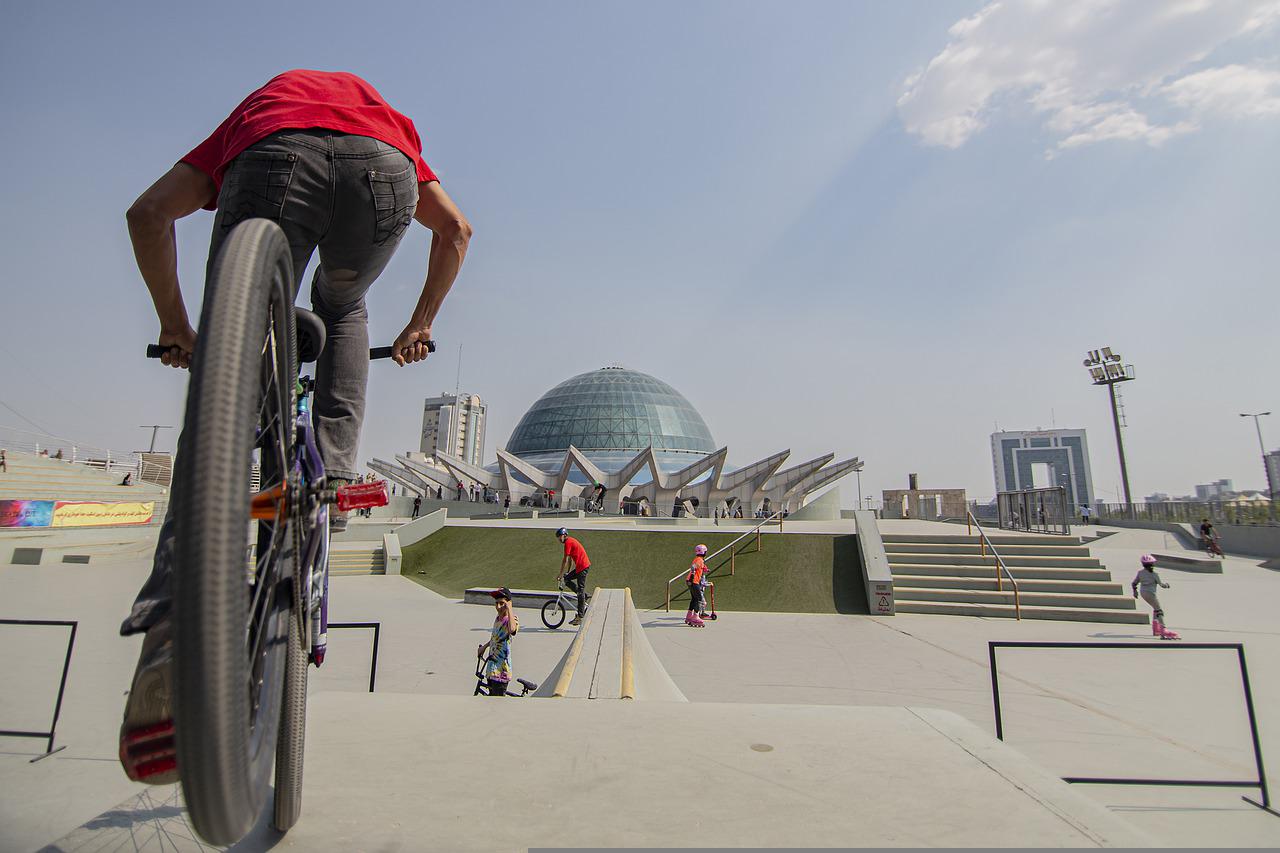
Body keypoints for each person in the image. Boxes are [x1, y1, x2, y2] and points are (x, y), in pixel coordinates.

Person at [117, 69, 471, 784]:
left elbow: (147, 214)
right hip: (386, 174)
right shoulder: (387, 121)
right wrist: (421, 323)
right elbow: (456, 230)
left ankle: (168, 630)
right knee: (343, 302)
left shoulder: (255, 118)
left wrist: (181, 328)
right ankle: (334, 474)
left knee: (230, 373)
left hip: (268, 160)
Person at [477, 587, 519, 696]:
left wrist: (509, 609)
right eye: (496, 603)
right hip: (492, 669)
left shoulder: (511, 620)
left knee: (497, 705)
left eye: (502, 603)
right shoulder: (498, 619)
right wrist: (484, 647)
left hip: (501, 673)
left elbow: (512, 630)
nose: (498, 607)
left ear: (508, 603)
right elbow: (496, 638)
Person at [555, 527, 591, 626]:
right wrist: (567, 573)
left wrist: (560, 574)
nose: (559, 539)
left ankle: (580, 617)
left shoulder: (568, 543)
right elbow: (570, 560)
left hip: (582, 567)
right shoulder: (570, 542)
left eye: (559, 537)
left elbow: (565, 560)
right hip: (581, 567)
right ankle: (584, 596)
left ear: (564, 535)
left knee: (580, 591)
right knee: (567, 579)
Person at [1132, 554, 1174, 637]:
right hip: (1151, 594)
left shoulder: (1140, 573)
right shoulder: (1155, 574)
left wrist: (1135, 592)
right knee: (1159, 611)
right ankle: (1163, 630)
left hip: (1143, 593)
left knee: (1155, 609)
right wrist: (1167, 585)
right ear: (1153, 564)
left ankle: (1156, 629)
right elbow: (1161, 584)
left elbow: (1134, 583)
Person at [684, 544, 709, 627]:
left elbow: (699, 566)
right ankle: (695, 617)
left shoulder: (698, 559)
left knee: (694, 599)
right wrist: (693, 572)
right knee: (699, 599)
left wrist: (704, 569)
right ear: (704, 552)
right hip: (693, 581)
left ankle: (689, 616)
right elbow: (694, 566)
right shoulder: (699, 560)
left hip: (689, 581)